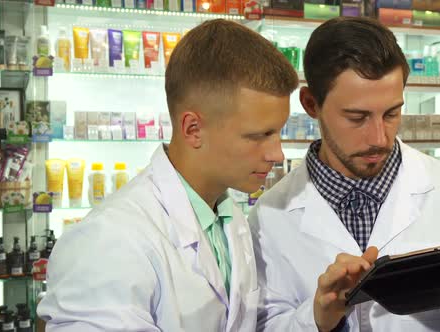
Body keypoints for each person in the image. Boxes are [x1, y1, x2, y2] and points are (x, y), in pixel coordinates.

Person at [249, 17, 440, 331]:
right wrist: (316, 319)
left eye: (392, 113)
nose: (380, 137)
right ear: (311, 104)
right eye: (357, 117)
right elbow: (260, 325)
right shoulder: (269, 216)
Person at [37, 19, 299, 331]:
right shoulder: (110, 239)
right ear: (193, 129)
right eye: (259, 135)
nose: (277, 154)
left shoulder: (229, 220)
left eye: (278, 132)